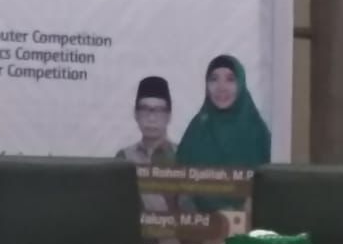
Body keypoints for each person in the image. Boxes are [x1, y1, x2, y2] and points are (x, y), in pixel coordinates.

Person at [176, 55, 271, 212]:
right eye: (214, 79)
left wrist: (240, 217)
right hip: (200, 223)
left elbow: (267, 185)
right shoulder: (198, 127)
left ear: (241, 83)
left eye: (230, 79)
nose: (221, 87)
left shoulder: (257, 132)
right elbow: (180, 185)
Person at [116, 76, 178, 214]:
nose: (151, 118)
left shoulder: (182, 156)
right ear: (135, 114)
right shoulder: (124, 158)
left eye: (159, 110)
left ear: (169, 116)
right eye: (145, 109)